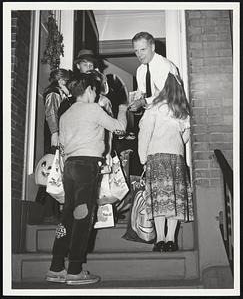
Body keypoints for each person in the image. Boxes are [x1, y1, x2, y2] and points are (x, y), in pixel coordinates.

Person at [45, 72, 128, 285]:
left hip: (70, 167)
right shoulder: (93, 109)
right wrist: (122, 109)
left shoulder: (65, 115)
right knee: (83, 217)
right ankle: (74, 270)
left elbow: (62, 146)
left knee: (67, 217)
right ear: (90, 90)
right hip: (86, 166)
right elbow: (119, 128)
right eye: (95, 90)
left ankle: (56, 268)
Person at [138, 72, 194, 252]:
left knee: (158, 200)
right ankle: (171, 240)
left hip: (155, 157)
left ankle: (160, 240)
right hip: (175, 158)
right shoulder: (181, 110)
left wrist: (142, 157)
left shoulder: (154, 108)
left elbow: (144, 134)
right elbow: (185, 136)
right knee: (174, 200)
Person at [35, 68, 71, 223]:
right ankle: (49, 212)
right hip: (55, 137)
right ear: (62, 80)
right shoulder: (54, 93)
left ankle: (50, 210)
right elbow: (51, 114)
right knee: (52, 171)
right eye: (67, 81)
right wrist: (55, 134)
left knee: (55, 171)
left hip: (57, 136)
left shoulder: (58, 92)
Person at [129, 31, 179, 112]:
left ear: (152, 47)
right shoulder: (140, 70)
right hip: (150, 115)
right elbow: (142, 95)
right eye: (136, 51)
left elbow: (167, 96)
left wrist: (143, 101)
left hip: (170, 114)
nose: (139, 54)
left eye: (143, 49)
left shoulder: (165, 65)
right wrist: (136, 104)